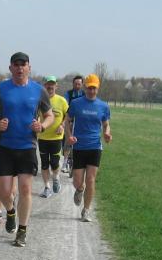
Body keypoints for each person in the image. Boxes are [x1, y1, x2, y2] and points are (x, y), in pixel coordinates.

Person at [0, 52, 54, 247]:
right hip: (4, 146)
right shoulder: (0, 89)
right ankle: (10, 211)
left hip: (27, 146)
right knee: (4, 192)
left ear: (29, 68)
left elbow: (49, 115)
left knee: (25, 188)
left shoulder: (38, 90)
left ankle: (22, 230)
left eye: (23, 64)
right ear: (10, 68)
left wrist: (42, 126)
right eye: (16, 64)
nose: (20, 68)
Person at [66, 73, 112, 222]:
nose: (92, 91)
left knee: (91, 179)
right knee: (77, 182)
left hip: (95, 146)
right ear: (85, 87)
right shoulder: (76, 103)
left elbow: (106, 124)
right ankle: (80, 189)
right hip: (79, 146)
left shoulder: (103, 106)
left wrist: (106, 133)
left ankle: (86, 210)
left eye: (94, 88)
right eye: (89, 88)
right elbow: (67, 120)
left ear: (98, 88)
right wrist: (69, 136)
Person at [37, 76, 69, 198]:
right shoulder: (40, 100)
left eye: (52, 84)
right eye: (48, 84)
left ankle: (56, 178)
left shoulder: (62, 100)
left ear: (56, 86)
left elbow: (68, 116)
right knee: (44, 164)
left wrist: (62, 125)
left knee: (55, 163)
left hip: (56, 138)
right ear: (44, 86)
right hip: (43, 137)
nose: (50, 86)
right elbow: (35, 115)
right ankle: (47, 187)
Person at [62, 75, 85, 173]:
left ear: (82, 84)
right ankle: (65, 162)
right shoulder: (69, 94)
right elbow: (66, 104)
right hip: (71, 119)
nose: (77, 86)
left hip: (81, 120)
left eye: (79, 84)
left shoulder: (84, 94)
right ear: (73, 84)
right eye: (75, 84)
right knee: (68, 139)